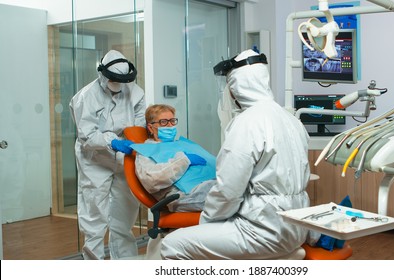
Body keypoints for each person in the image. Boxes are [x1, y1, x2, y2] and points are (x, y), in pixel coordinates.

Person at [161, 49, 312, 259]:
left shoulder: (246, 123)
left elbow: (228, 191)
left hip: (263, 230)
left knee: (171, 245)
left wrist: (207, 221)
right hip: (296, 227)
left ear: (236, 87)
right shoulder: (291, 120)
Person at [69, 50, 146, 260]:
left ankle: (125, 262)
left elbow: (140, 123)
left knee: (125, 212)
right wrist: (112, 141)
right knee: (94, 214)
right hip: (94, 158)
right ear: (102, 74)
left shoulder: (135, 92)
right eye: (113, 80)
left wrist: (136, 140)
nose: (117, 84)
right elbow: (87, 135)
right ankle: (93, 263)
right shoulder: (86, 96)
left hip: (123, 157)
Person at [134, 104, 216, 212]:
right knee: (230, 191)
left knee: (236, 183)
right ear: (150, 127)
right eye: (164, 122)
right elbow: (152, 180)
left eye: (172, 121)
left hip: (207, 185)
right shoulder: (146, 151)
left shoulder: (182, 144)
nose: (169, 125)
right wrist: (183, 161)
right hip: (183, 195)